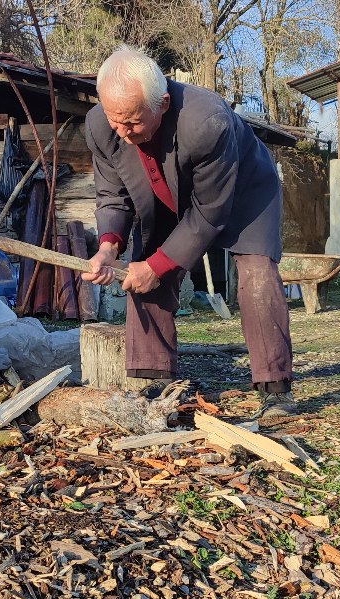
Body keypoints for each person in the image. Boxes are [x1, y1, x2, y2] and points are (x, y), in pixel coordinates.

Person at [80, 45, 296, 417]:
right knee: (142, 266)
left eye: (132, 121)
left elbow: (209, 214)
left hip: (244, 193)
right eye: (115, 119)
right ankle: (157, 379)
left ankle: (274, 386)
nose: (122, 131)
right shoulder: (101, 125)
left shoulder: (206, 121)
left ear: (162, 103)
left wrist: (160, 265)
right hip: (162, 193)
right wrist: (108, 247)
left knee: (257, 273)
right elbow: (112, 195)